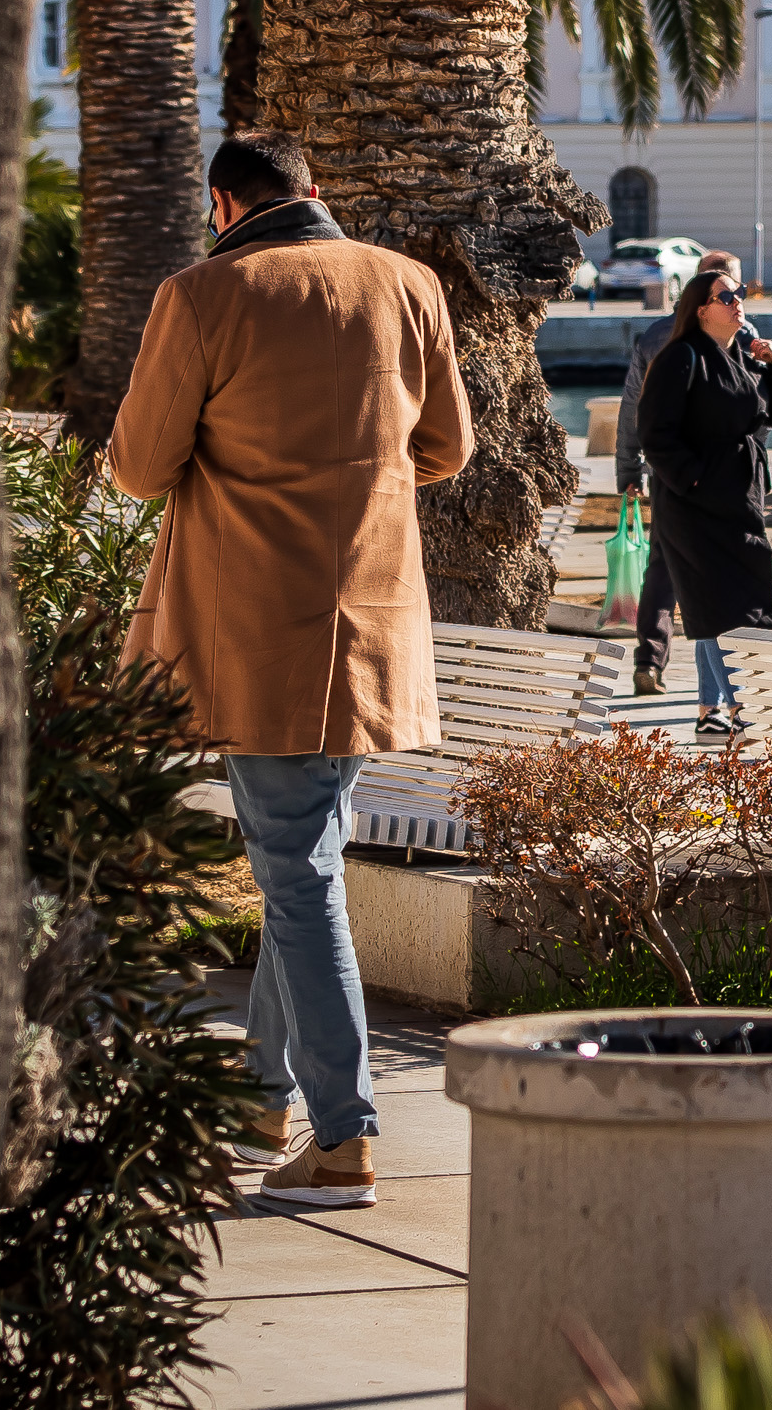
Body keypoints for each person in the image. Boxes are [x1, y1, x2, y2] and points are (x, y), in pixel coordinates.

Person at [112, 131, 467, 1211]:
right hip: (369, 628)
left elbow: (135, 469)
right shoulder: (407, 284)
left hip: (256, 632)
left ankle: (345, 1135)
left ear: (226, 204)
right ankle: (259, 1100)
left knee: (297, 873)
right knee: (299, 859)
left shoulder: (203, 294)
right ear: (317, 192)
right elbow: (449, 448)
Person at [636, 263, 772, 736]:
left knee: (743, 604)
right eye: (726, 297)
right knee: (717, 609)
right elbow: (656, 436)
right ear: (700, 310)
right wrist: (695, 481)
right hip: (694, 507)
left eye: (739, 295)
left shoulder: (746, 356)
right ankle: (735, 709)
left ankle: (728, 708)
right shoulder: (680, 358)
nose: (738, 303)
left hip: (741, 500)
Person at [611, 246, 737, 696]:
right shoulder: (741, 337)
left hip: (666, 472)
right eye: (731, 291)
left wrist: (629, 469)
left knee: (663, 568)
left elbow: (632, 410)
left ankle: (649, 661)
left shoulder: (653, 337)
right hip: (723, 479)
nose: (737, 302)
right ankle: (723, 682)